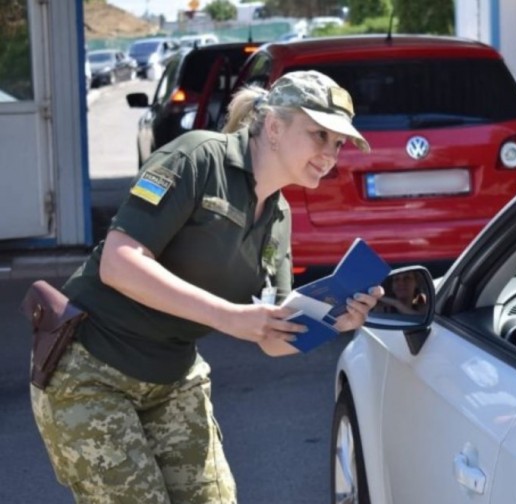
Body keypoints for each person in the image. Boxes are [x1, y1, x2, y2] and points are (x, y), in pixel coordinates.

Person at [29, 70, 383, 503]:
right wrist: (229, 316)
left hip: (172, 377)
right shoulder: (196, 158)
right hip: (92, 370)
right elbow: (118, 263)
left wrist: (336, 320)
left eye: (338, 143)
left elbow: (272, 338)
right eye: (318, 135)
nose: (330, 154)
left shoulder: (279, 216)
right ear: (273, 126)